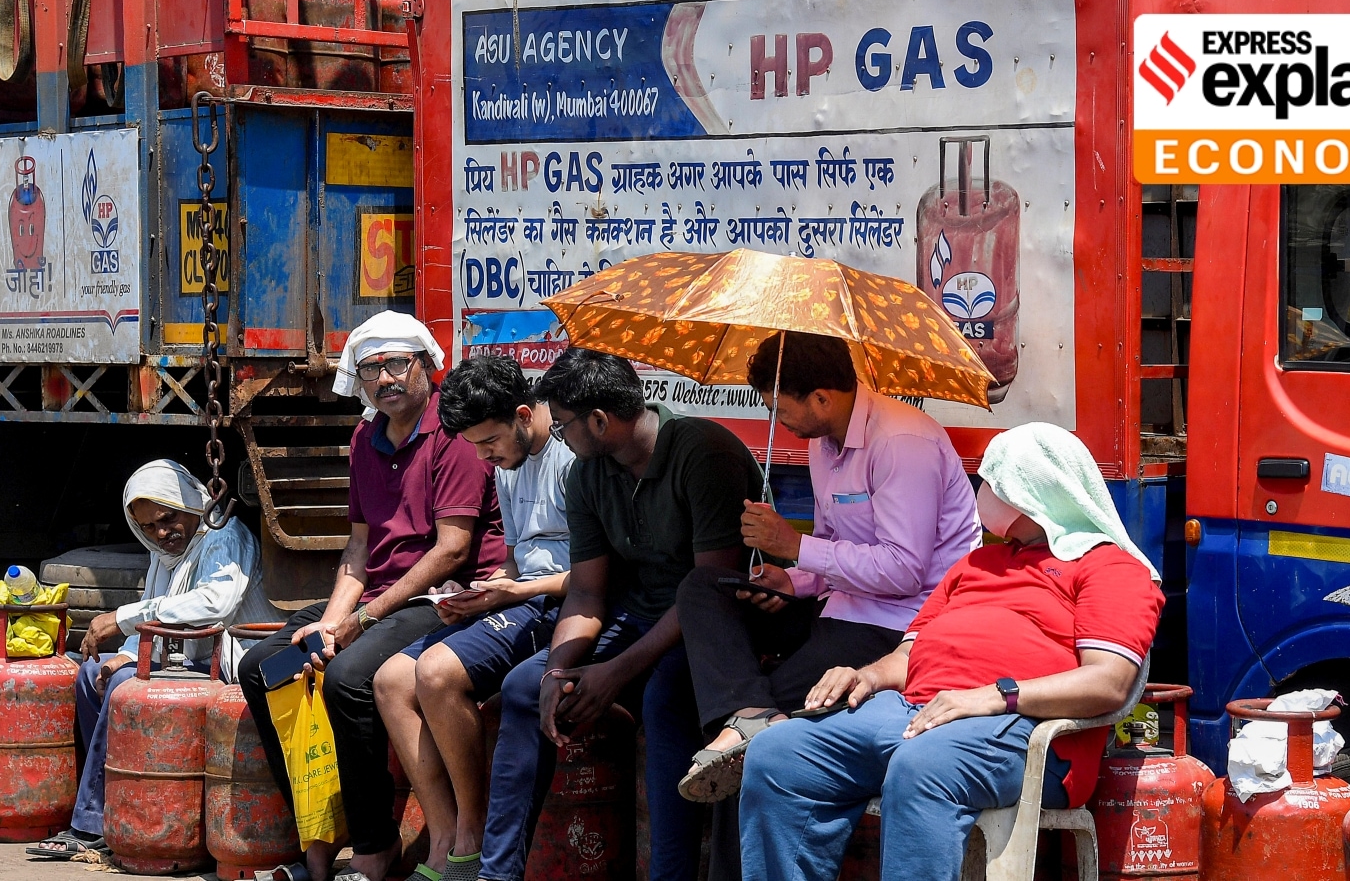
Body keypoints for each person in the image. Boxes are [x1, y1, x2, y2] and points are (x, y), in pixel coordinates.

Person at [738, 423, 1165, 881]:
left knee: (921, 765)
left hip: (1021, 729)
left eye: (997, 485)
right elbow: (908, 653)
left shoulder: (1112, 569)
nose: (985, 494)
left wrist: (993, 696)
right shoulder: (977, 563)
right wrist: (867, 676)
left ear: (1041, 491)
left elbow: (1110, 682)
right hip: (913, 711)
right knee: (776, 755)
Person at [675, 331, 982, 877]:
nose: (778, 418)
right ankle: (748, 713)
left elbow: (902, 570)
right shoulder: (823, 444)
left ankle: (750, 726)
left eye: (779, 407)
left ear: (820, 397)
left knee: (742, 758)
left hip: (897, 623)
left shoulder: (901, 442)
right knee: (702, 590)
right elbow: (832, 547)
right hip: (839, 607)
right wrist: (791, 579)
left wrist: (794, 547)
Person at [472, 348, 762, 881]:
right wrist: (561, 668)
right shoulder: (589, 475)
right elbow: (586, 592)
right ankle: (498, 873)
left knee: (663, 697)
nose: (558, 438)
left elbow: (710, 590)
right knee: (523, 687)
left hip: (712, 628)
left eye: (561, 427)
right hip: (635, 619)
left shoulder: (703, 452)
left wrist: (615, 672)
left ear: (600, 421)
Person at [240, 312, 507, 881]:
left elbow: (452, 550)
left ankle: (375, 844)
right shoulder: (366, 437)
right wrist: (333, 624)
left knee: (348, 678)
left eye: (395, 364)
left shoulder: (453, 434)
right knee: (266, 666)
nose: (384, 379)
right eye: (370, 369)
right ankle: (314, 838)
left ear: (424, 366)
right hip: (378, 595)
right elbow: (358, 549)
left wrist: (361, 621)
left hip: (439, 597)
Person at [375, 355, 573, 880]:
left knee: (436, 673)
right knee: (391, 679)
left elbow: (595, 575)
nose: (485, 457)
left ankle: (471, 839)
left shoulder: (571, 460)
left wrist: (514, 589)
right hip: (517, 595)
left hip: (560, 604)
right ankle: (443, 840)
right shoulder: (505, 464)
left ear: (524, 415)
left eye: (489, 444)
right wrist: (479, 589)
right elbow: (515, 553)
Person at [28, 459, 283, 858]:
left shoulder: (223, 535)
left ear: (190, 505)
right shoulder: (161, 554)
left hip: (236, 666)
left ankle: (91, 823)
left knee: (122, 687)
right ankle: (123, 804)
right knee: (92, 672)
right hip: (188, 662)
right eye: (148, 526)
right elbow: (154, 612)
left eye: (167, 519)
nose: (161, 533)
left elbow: (213, 604)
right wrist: (124, 655)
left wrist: (122, 619)